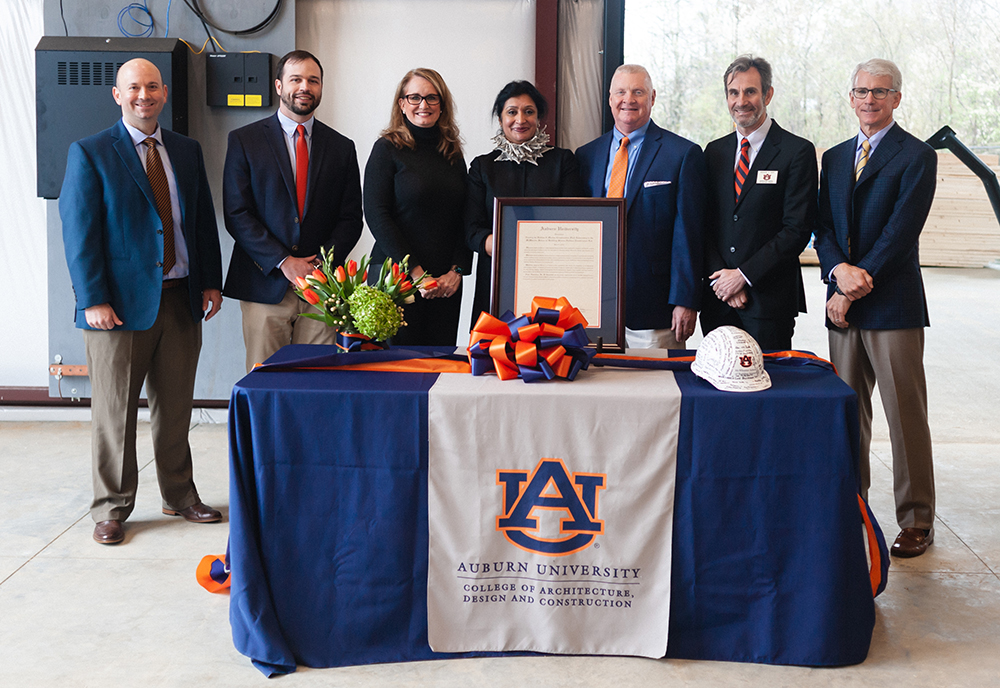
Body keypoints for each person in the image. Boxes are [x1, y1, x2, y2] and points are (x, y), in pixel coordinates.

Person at [59, 58, 224, 545]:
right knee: (115, 414)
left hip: (180, 299)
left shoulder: (186, 150)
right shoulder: (90, 152)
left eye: (152, 86)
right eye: (133, 87)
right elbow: (79, 233)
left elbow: (200, 221)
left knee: (175, 409)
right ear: (117, 95)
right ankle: (111, 507)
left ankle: (180, 495)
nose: (143, 95)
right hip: (117, 310)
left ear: (164, 93)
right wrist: (92, 299)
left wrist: (210, 282)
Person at [814, 58, 938, 557]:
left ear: (897, 99)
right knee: (847, 414)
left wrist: (849, 286)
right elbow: (823, 227)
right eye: (862, 91)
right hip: (842, 305)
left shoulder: (917, 156)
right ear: (851, 98)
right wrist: (835, 272)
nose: (870, 99)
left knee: (905, 416)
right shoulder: (835, 157)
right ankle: (852, 509)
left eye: (881, 92)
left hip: (892, 305)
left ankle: (917, 520)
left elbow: (900, 233)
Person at [223, 50, 363, 372]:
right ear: (278, 86)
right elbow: (237, 213)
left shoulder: (342, 147)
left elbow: (351, 218)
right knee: (265, 380)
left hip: (322, 289)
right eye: (296, 79)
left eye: (313, 80)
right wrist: (285, 262)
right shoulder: (244, 140)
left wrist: (319, 266)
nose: (305, 87)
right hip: (264, 284)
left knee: (316, 381)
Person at [576, 64, 706, 349]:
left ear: (653, 97)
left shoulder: (682, 154)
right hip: (591, 308)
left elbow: (689, 234)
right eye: (621, 92)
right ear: (610, 98)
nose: (629, 100)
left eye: (638, 92)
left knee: (656, 379)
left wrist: (685, 300)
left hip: (654, 311)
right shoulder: (586, 156)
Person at [701, 55, 817, 351]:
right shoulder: (714, 152)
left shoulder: (797, 152)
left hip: (768, 303)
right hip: (718, 300)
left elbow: (797, 229)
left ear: (768, 94)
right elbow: (702, 223)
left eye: (750, 91)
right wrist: (722, 281)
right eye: (733, 92)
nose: (741, 101)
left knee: (768, 380)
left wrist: (743, 277)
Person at [465, 80, 586, 326]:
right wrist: (496, 244)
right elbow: (470, 228)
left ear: (538, 118)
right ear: (500, 118)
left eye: (529, 111)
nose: (520, 119)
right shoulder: (482, 167)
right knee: (494, 347)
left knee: (549, 345)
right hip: (496, 277)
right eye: (512, 112)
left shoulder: (563, 161)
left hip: (551, 276)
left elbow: (574, 221)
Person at [364, 67, 471, 346]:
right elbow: (377, 215)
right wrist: (416, 273)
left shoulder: (452, 152)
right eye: (415, 97)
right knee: (397, 367)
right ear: (402, 103)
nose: (424, 105)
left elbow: (465, 216)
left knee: (440, 365)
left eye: (432, 97)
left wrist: (457, 271)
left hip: (445, 284)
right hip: (396, 278)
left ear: (442, 105)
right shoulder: (386, 149)